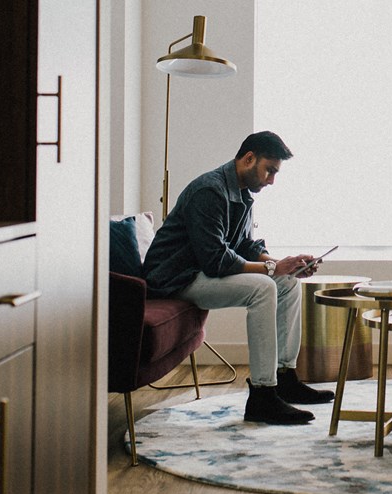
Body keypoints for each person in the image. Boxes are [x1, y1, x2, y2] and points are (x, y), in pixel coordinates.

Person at [142, 131, 332, 424]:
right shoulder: (209, 191)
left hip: (200, 272)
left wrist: (284, 266)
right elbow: (217, 260)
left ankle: (284, 378)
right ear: (248, 159)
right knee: (263, 288)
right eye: (269, 170)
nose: (271, 180)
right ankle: (262, 396)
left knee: (288, 284)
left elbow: (246, 247)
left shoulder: (242, 194)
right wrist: (272, 269)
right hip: (174, 279)